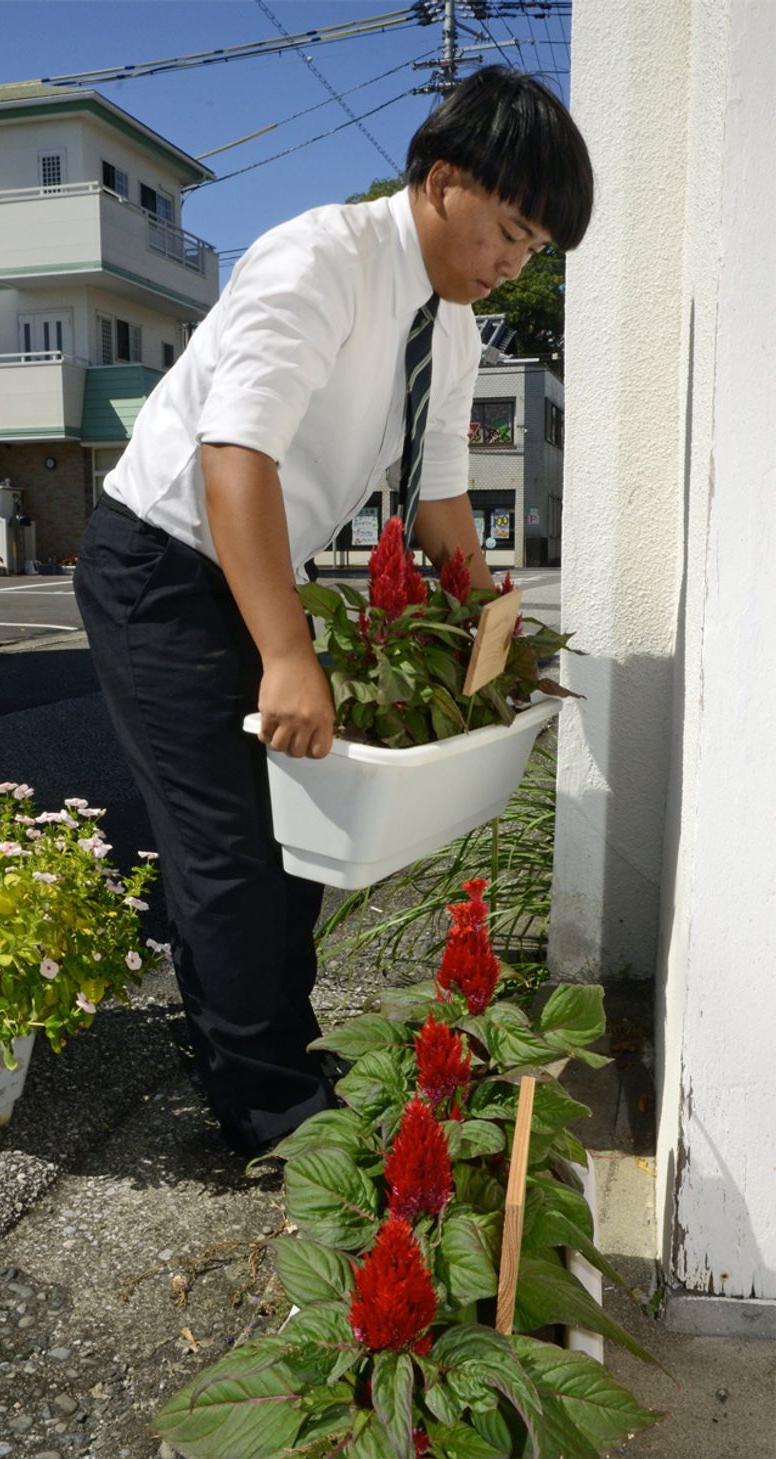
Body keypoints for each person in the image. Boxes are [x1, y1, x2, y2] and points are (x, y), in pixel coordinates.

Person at [74, 66, 593, 1157]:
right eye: (506, 230)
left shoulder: (449, 328)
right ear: (444, 180)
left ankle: (266, 1040)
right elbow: (234, 457)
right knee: (227, 842)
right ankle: (264, 1112)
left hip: (252, 565)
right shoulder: (318, 258)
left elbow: (445, 503)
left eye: (533, 251)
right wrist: (286, 652)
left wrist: (495, 633)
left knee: (294, 836)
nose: (510, 264)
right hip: (161, 566)